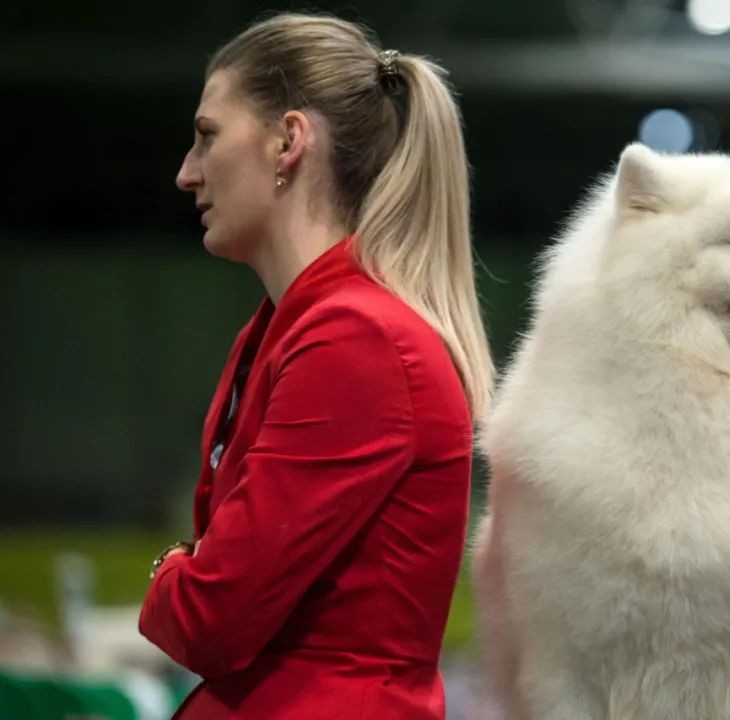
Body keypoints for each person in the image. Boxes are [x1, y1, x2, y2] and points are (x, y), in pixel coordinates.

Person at [137, 12, 494, 719]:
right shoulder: (303, 327)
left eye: (208, 136)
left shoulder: (357, 339)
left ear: (289, 141)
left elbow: (212, 616)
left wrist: (172, 574)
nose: (187, 172)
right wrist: (189, 573)